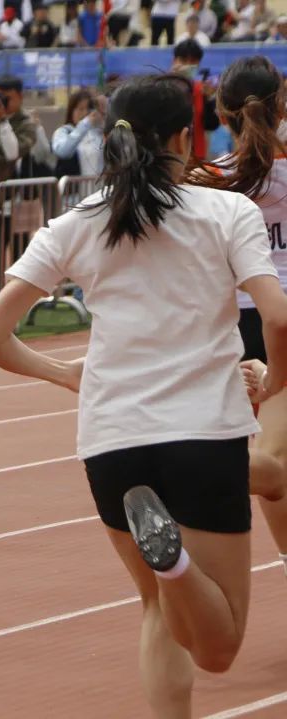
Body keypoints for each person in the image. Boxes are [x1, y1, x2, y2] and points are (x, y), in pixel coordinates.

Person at [0, 73, 287, 718]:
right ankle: (174, 565)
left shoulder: (76, 222)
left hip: (111, 441)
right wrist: (274, 378)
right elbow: (278, 318)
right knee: (219, 646)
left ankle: (167, 566)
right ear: (184, 138)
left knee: (157, 612)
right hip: (204, 433)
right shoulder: (227, 212)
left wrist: (66, 374)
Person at [193, 56, 287, 577]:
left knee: (254, 456)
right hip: (278, 319)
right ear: (280, 104)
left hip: (230, 326)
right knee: (273, 456)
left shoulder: (207, 179)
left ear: (221, 111)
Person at [172, 39, 220, 162]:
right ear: (175, 61)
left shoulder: (202, 89)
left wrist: (210, 99)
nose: (188, 65)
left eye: (193, 61)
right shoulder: (164, 88)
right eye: (184, 60)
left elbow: (211, 125)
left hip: (197, 158)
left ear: (199, 63)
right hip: (172, 156)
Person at [51, 88, 105, 178]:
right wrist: (85, 124)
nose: (85, 113)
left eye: (88, 109)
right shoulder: (63, 132)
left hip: (99, 185)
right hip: (74, 186)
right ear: (71, 111)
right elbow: (63, 151)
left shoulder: (98, 132)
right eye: (80, 109)